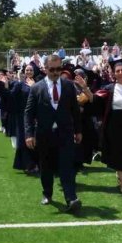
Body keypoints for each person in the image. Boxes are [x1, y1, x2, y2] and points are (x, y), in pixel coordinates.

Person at [24, 54, 82, 212]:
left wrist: (78, 130)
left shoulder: (69, 86)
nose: (56, 72)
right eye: (52, 69)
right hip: (44, 135)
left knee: (67, 167)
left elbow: (75, 111)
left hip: (65, 133)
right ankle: (47, 194)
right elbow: (29, 113)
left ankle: (71, 198)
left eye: (59, 69)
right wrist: (29, 134)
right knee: (46, 167)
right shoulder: (36, 88)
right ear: (45, 69)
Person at [93, 59, 122, 195]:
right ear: (113, 73)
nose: (119, 72)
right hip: (115, 125)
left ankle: (120, 173)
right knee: (120, 152)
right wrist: (85, 88)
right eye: (117, 71)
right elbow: (95, 101)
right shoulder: (110, 88)